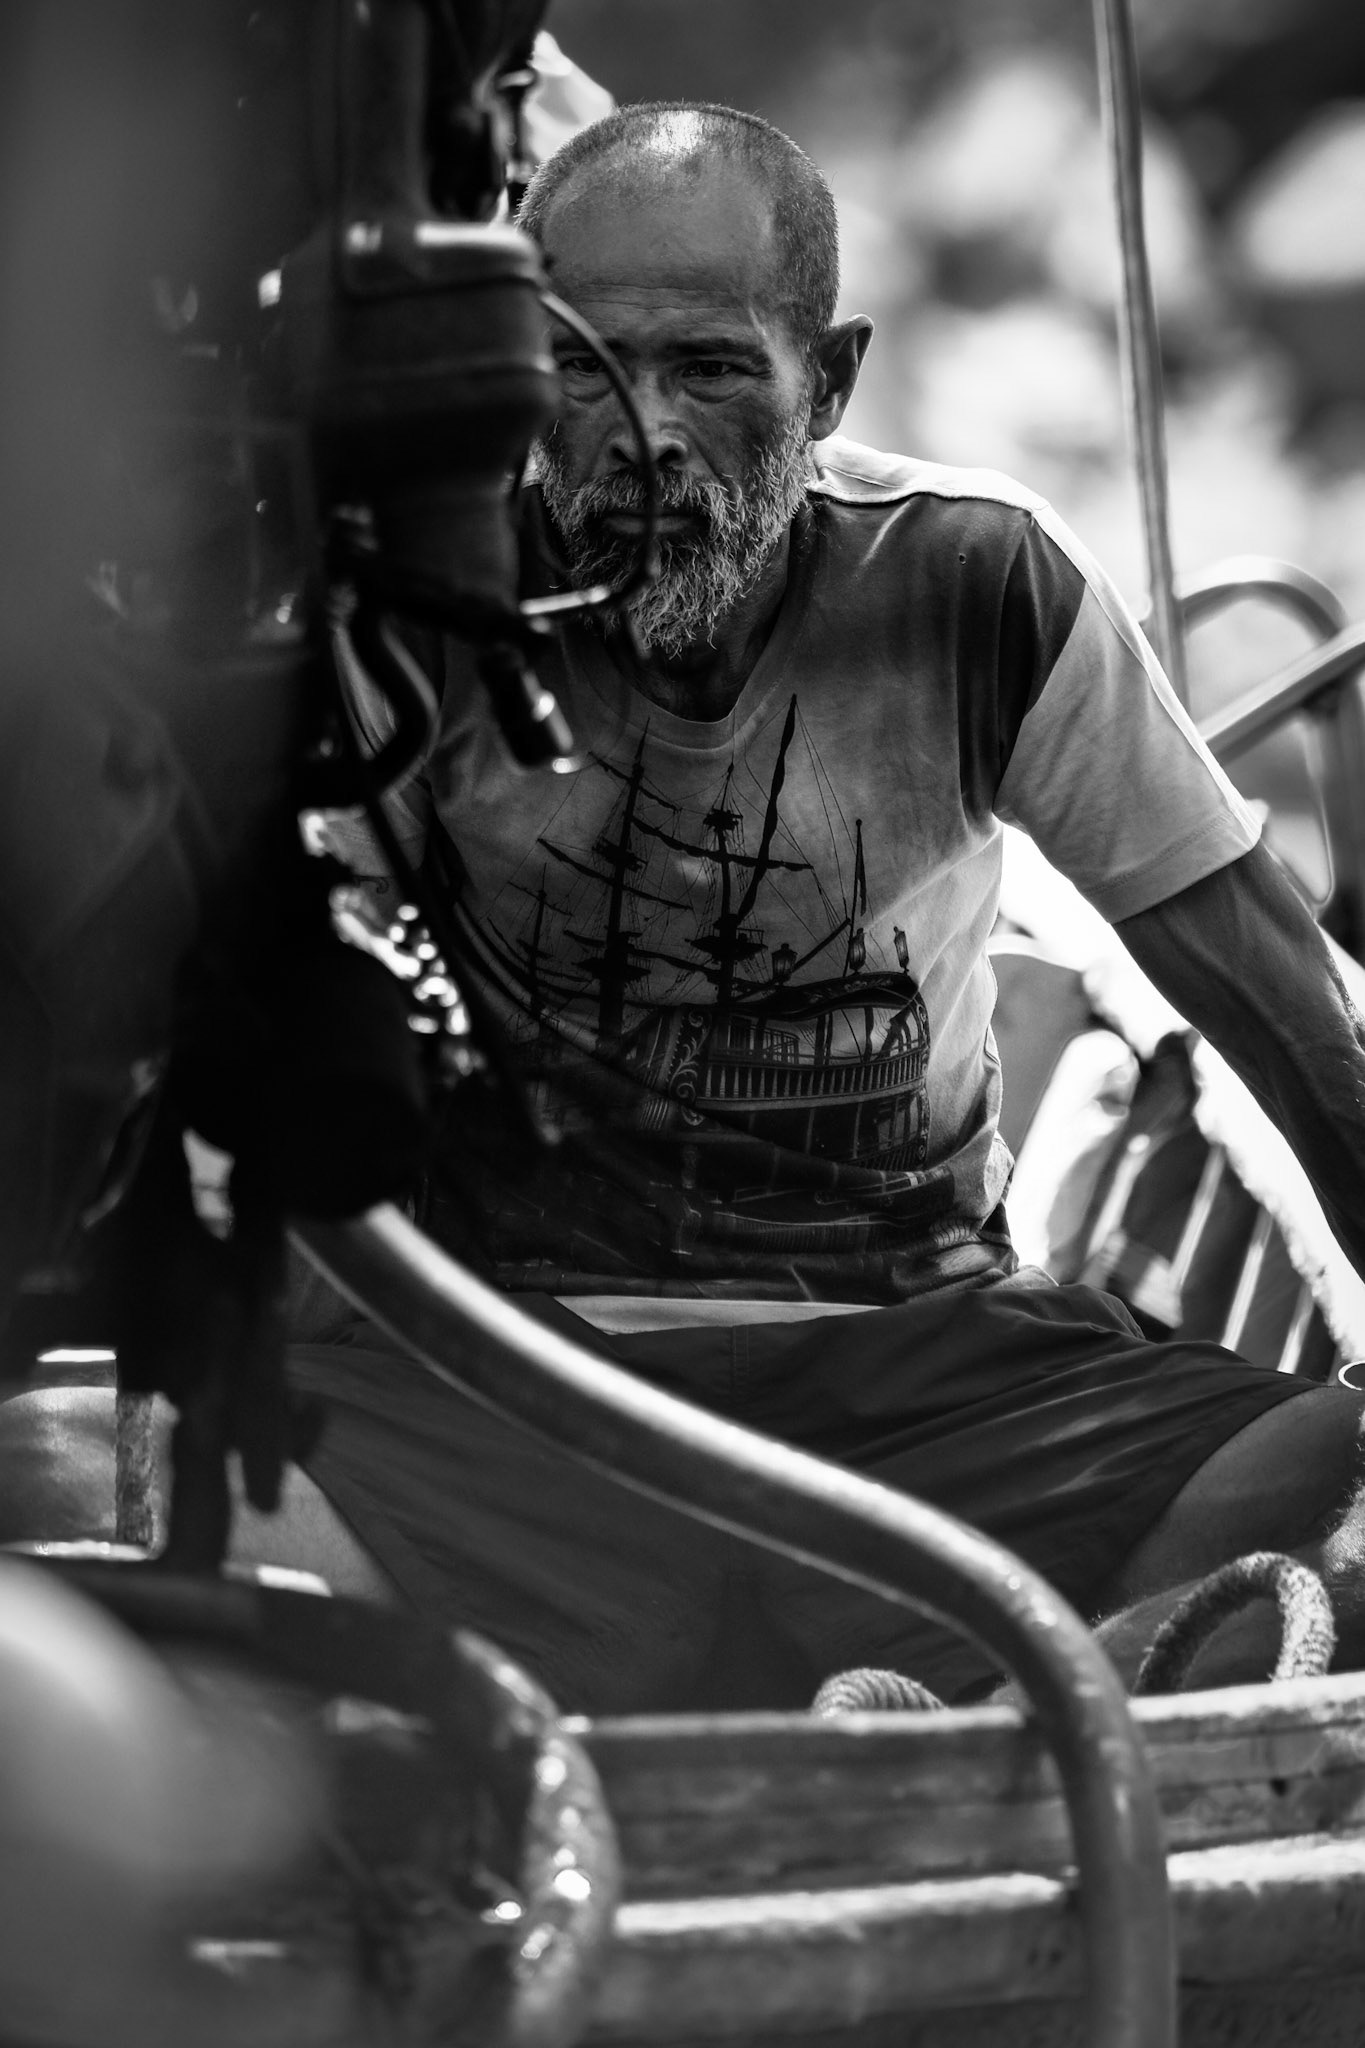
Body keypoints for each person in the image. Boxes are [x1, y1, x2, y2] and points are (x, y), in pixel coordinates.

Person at [8, 101, 1365, 1711]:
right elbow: (219, 1000)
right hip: (511, 1388)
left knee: (1339, 1470)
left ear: (831, 380)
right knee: (45, 1471)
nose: (640, 430)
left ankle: (979, 1714)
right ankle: (1017, 1715)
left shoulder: (976, 584)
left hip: (919, 1379)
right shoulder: (417, 601)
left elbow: (1282, 1013)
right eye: (582, 367)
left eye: (710, 370)